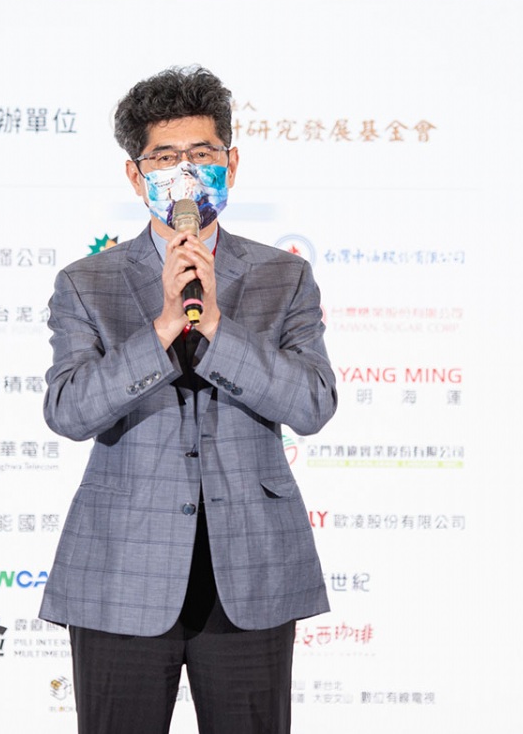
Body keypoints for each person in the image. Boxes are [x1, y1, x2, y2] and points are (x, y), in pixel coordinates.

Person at [39, 65, 337, 734]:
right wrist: (163, 327)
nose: (185, 173)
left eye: (202, 155)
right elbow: (69, 410)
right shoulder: (88, 283)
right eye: (166, 158)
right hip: (121, 569)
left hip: (251, 570)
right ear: (134, 174)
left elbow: (313, 404)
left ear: (232, 163)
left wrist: (219, 328)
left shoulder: (283, 276)